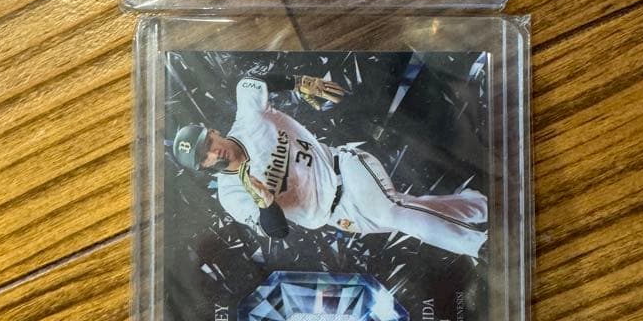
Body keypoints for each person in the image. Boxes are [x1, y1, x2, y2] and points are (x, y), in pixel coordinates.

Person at [172, 73, 487, 258]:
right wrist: (266, 204)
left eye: (208, 142)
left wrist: (298, 82)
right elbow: (277, 231)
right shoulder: (231, 194)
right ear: (204, 167)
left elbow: (248, 83)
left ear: (213, 132)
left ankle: (481, 246)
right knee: (404, 213)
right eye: (204, 156)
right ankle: (479, 206)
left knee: (393, 212)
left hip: (345, 169)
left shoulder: (248, 119)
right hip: (336, 215)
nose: (212, 152)